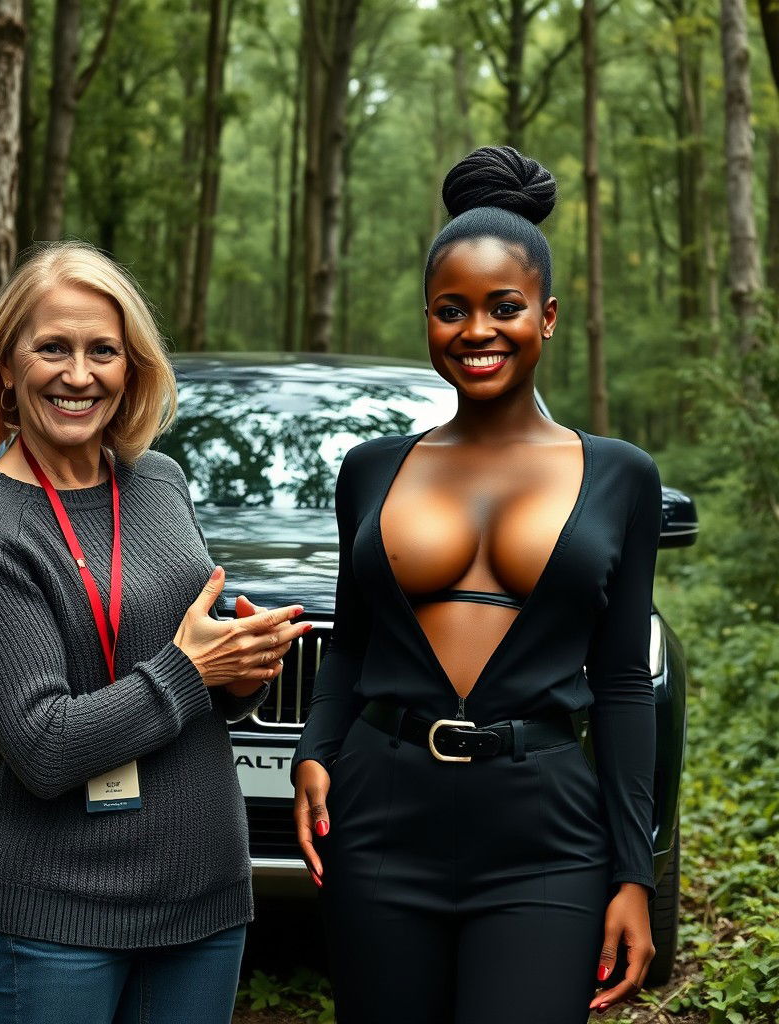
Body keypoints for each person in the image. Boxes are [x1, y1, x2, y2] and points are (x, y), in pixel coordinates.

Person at [292, 146, 662, 1024]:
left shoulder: (620, 476)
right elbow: (351, 643)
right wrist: (314, 748)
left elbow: (620, 684)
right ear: (427, 318)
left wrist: (634, 873)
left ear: (549, 315)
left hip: (546, 831)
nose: (478, 331)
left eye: (505, 307)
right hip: (382, 814)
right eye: (451, 310)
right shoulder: (371, 471)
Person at [0, 241, 311, 1024]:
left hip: (205, 894)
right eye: (52, 348)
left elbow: (195, 676)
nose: (79, 374)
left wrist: (241, 674)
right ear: (6, 365)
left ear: (130, 367)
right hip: (62, 913)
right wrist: (189, 669)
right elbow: (42, 747)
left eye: (103, 350)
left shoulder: (160, 481)